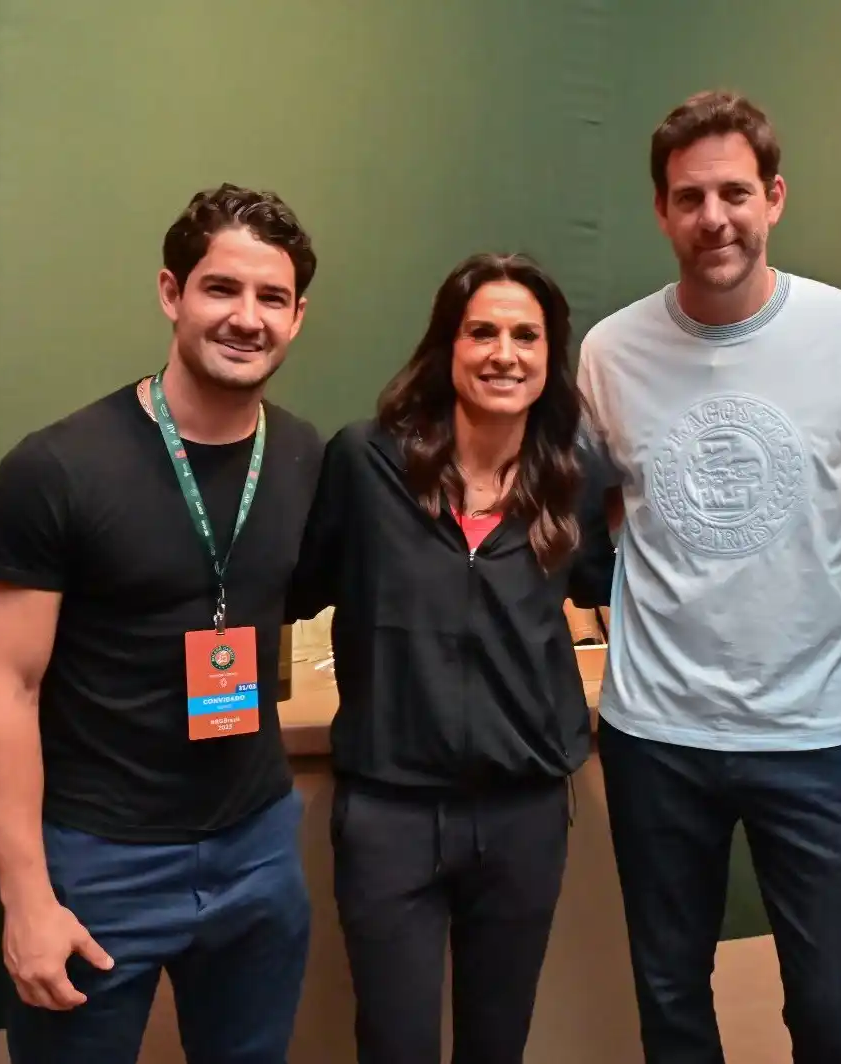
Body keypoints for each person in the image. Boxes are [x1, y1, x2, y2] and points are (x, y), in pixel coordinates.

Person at [577, 90, 841, 1064]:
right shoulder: (610, 351)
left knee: (836, 1011)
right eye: (690, 196)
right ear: (661, 210)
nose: (715, 217)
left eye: (735, 192)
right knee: (668, 998)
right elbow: (594, 509)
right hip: (657, 731)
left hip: (818, 732)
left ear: (775, 196)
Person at [0, 184, 324, 1063]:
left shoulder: (309, 459)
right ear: (172, 293)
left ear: (297, 316)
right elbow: (0, 692)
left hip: (257, 850)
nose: (246, 318)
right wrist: (27, 897)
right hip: (98, 862)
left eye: (270, 298)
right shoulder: (55, 470)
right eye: (220, 289)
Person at [287, 252, 616, 1064]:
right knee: (393, 1043)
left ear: (550, 356)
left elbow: (607, 592)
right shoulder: (365, 464)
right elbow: (297, 588)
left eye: (526, 336)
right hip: (390, 811)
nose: (504, 353)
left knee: (496, 1042)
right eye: (483, 332)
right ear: (447, 346)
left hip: (524, 812)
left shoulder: (571, 476)